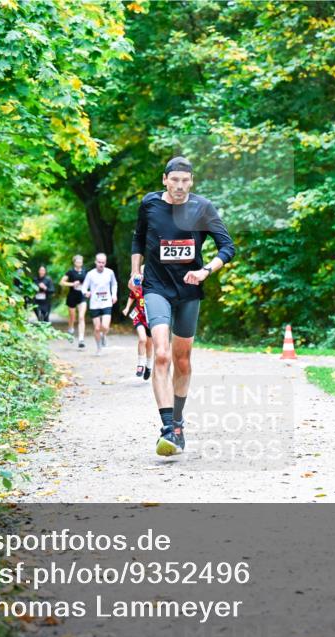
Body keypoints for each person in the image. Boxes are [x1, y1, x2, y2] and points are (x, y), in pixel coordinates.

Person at [130, 156, 235, 456]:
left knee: (183, 359)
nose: (179, 186)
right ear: (165, 180)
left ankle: (178, 423)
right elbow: (138, 238)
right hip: (156, 288)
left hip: (189, 290)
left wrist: (206, 271)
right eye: (174, 180)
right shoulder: (150, 204)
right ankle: (167, 429)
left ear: (191, 182)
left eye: (185, 181)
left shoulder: (202, 208)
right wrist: (134, 271)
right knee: (161, 354)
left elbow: (227, 247)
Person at [81, 252, 118, 355]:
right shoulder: (90, 274)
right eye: (99, 262)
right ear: (95, 262)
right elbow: (84, 287)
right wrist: (86, 292)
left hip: (106, 302)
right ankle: (99, 348)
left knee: (105, 326)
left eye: (103, 262)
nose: (101, 264)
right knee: (97, 328)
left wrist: (114, 295)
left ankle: (103, 335)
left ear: (105, 263)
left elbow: (114, 284)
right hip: (95, 304)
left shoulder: (110, 272)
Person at [122, 272, 154, 379]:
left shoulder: (154, 287)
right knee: (142, 339)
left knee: (149, 344)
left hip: (150, 319)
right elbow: (131, 296)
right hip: (138, 317)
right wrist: (127, 308)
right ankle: (140, 364)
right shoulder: (137, 286)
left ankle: (148, 366)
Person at [60, 255, 88, 348]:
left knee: (81, 317)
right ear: (74, 262)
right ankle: (71, 328)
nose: (79, 263)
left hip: (82, 296)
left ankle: (81, 339)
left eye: (81, 261)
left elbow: (90, 282)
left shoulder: (85, 271)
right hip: (72, 296)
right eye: (78, 262)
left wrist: (88, 289)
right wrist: (72, 284)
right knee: (72, 317)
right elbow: (62, 282)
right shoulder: (70, 272)